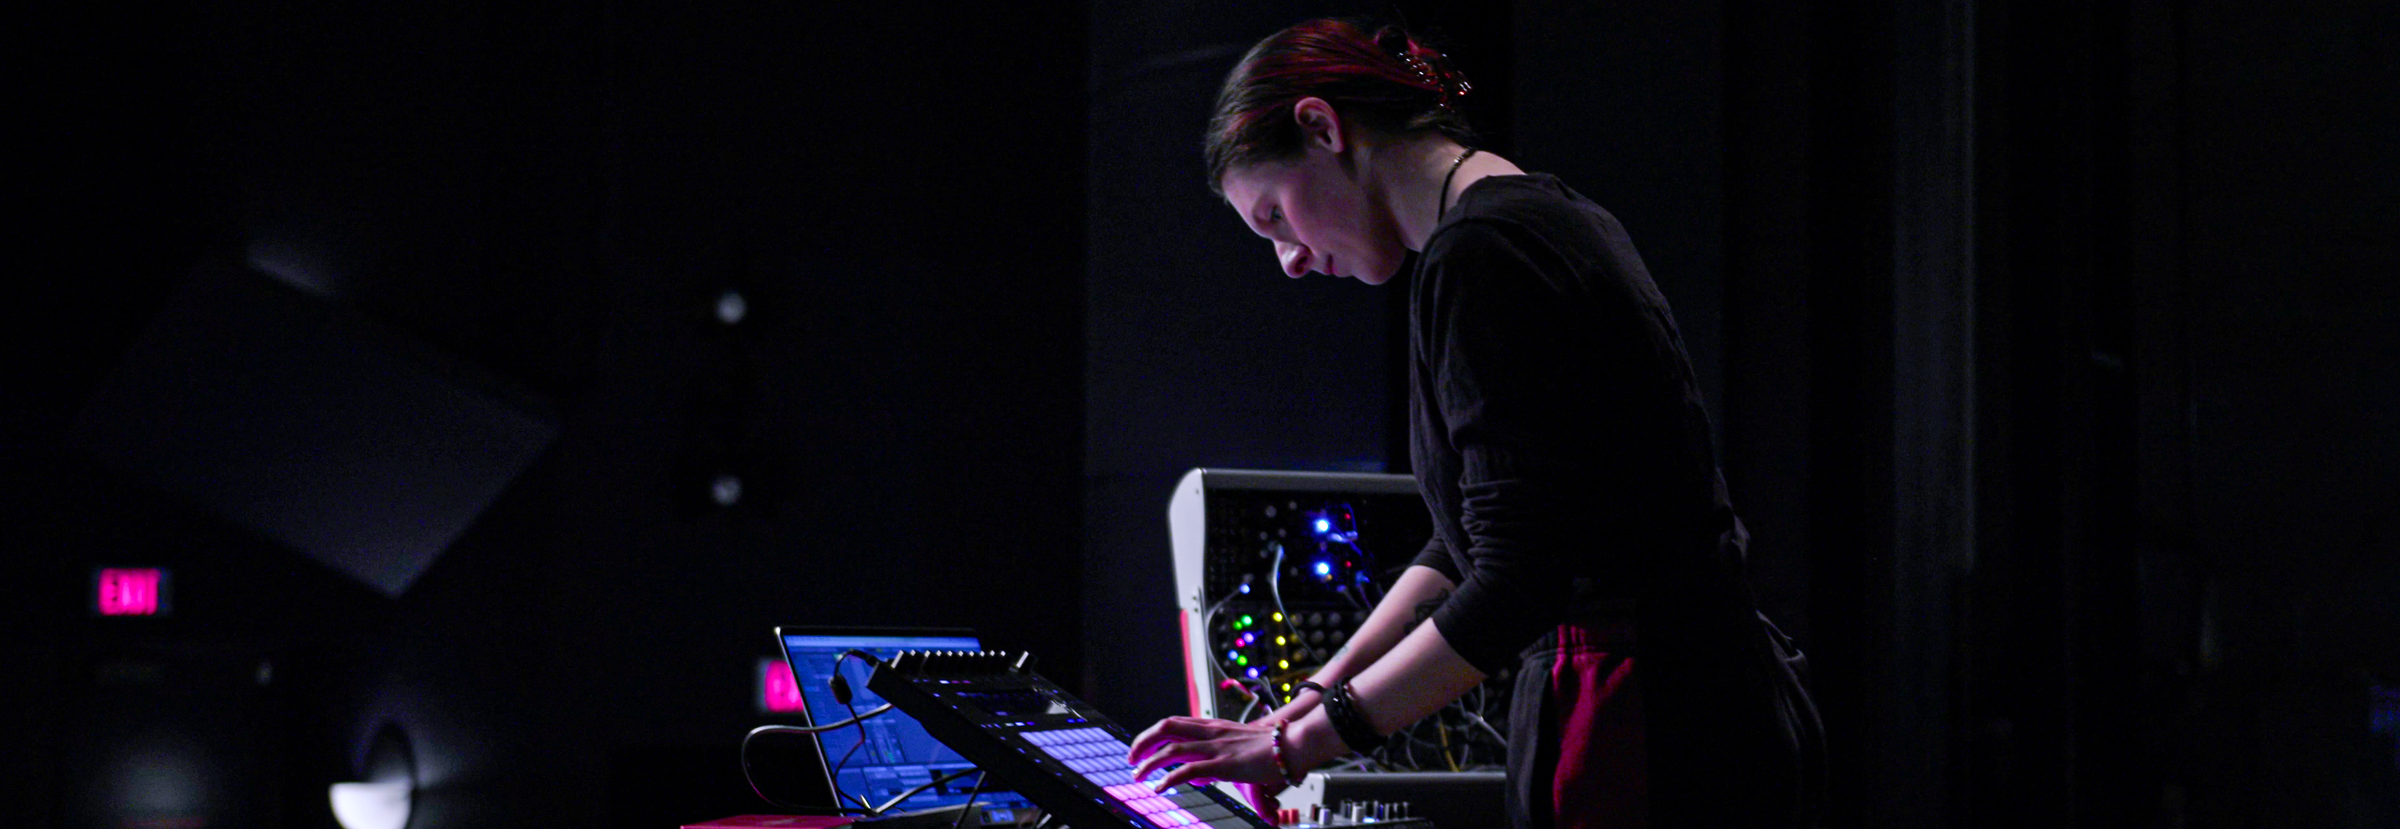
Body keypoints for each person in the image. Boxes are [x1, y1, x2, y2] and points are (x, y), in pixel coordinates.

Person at [1126, 18, 1825, 829]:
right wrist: (1310, 701)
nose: (1290, 260)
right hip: (1704, 698)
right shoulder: (1545, 218)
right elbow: (1461, 542)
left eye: (1276, 216)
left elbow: (1513, 577)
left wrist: (1302, 748)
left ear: (1322, 128)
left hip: (1645, 720)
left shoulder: (1483, 254)